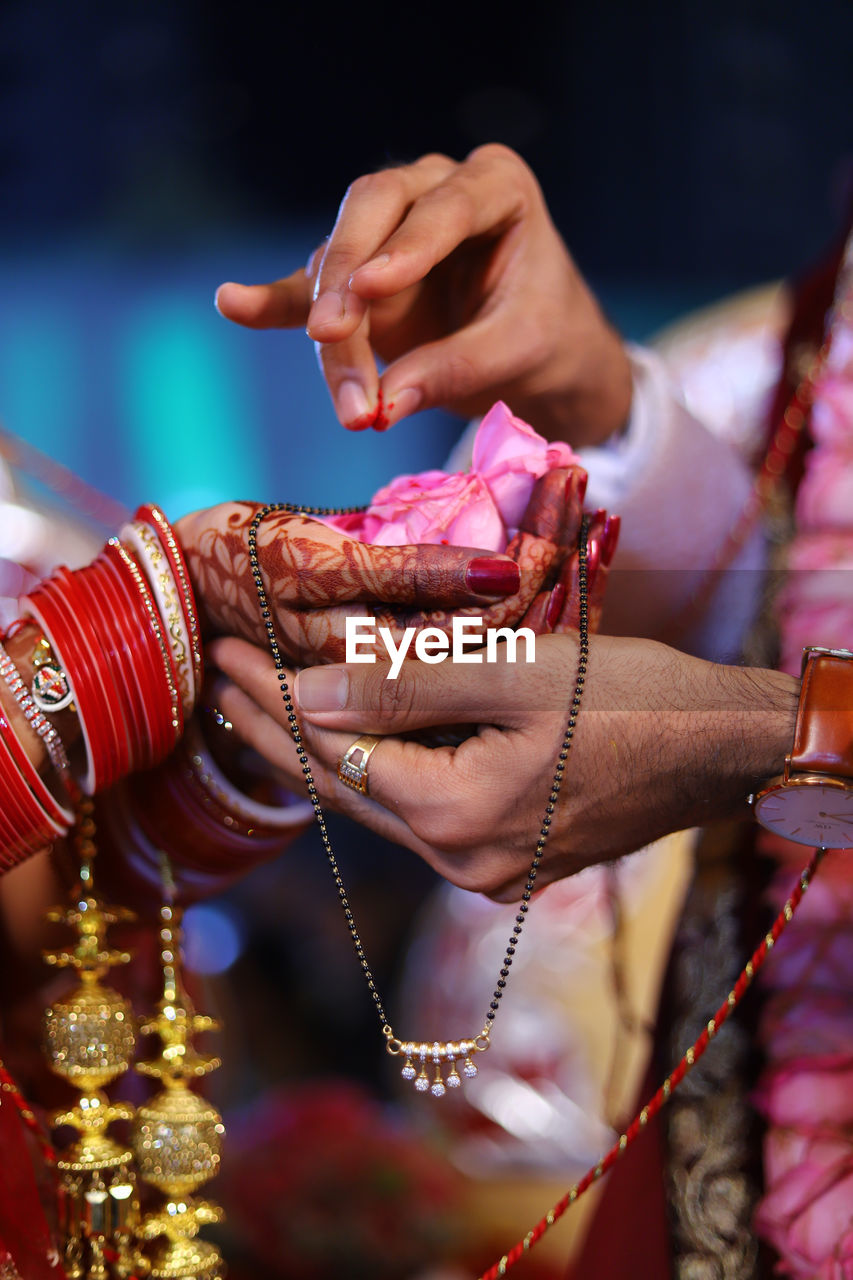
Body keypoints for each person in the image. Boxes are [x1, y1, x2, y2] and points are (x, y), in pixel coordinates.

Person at [208, 144, 853, 1277]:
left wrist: (765, 735)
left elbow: (774, 696)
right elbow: (796, 603)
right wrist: (587, 395)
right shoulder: (805, 323)